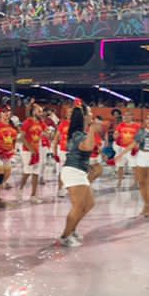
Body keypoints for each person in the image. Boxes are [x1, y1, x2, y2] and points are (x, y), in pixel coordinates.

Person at [58, 106, 104, 247]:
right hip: (73, 172)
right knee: (78, 206)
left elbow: (84, 152)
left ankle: (72, 229)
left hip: (79, 171)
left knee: (89, 204)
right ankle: (65, 236)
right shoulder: (78, 134)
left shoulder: (79, 133)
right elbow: (87, 147)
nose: (92, 115)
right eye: (89, 113)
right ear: (83, 117)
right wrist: (92, 130)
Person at [17, 105, 49, 202]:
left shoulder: (40, 123)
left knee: (36, 172)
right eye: (39, 111)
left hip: (37, 149)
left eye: (41, 111)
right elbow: (21, 138)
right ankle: (20, 189)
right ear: (33, 112)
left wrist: (47, 133)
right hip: (27, 150)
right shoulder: (27, 122)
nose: (41, 113)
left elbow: (46, 134)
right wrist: (30, 149)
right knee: (27, 171)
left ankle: (33, 195)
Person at [111, 110, 141, 189]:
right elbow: (115, 136)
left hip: (131, 149)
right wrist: (115, 135)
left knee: (134, 166)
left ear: (132, 116)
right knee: (120, 166)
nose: (126, 117)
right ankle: (119, 182)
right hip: (121, 148)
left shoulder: (137, 126)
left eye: (128, 115)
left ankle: (136, 183)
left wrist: (137, 145)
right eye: (125, 115)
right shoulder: (120, 125)